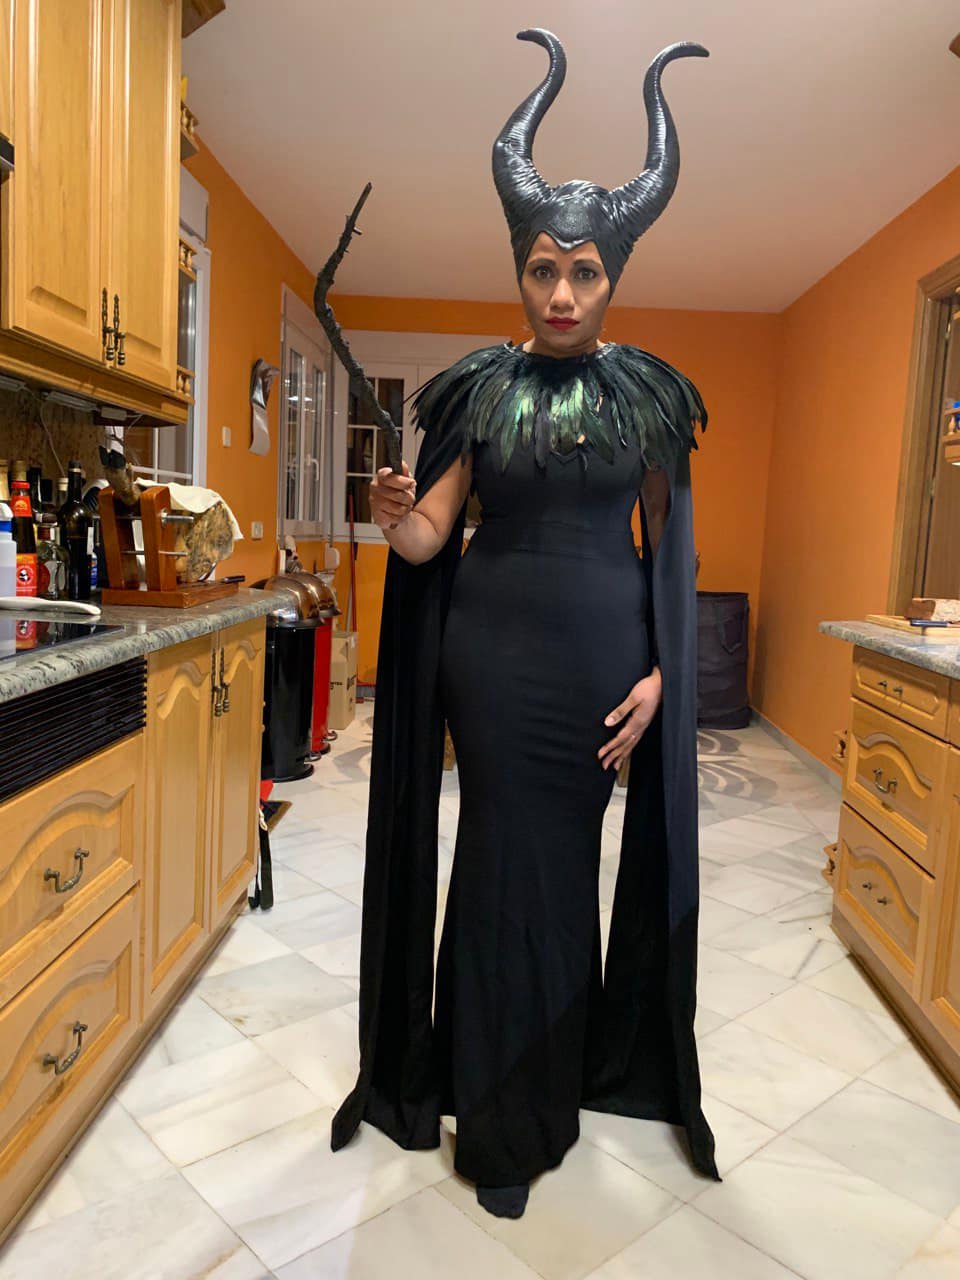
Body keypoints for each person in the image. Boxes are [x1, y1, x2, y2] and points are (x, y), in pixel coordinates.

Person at [330, 27, 720, 1220]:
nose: (561, 294)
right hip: (490, 673)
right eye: (544, 268)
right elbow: (428, 537)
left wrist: (665, 678)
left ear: (613, 277)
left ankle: (550, 1081)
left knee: (564, 875)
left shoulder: (649, 401)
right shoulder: (481, 390)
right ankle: (496, 1112)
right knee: (500, 867)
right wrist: (390, 512)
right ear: (521, 266)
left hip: (603, 681)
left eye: (584, 273)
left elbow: (672, 561)